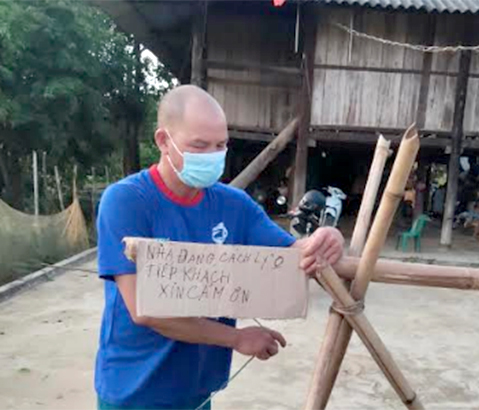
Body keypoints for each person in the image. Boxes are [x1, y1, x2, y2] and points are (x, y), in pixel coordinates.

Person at [95, 85, 345, 410]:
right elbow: (145, 310)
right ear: (163, 141)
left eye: (220, 145)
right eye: (199, 145)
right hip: (134, 390)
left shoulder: (235, 206)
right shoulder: (127, 201)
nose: (212, 155)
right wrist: (238, 339)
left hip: (198, 388)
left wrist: (325, 240)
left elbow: (294, 255)